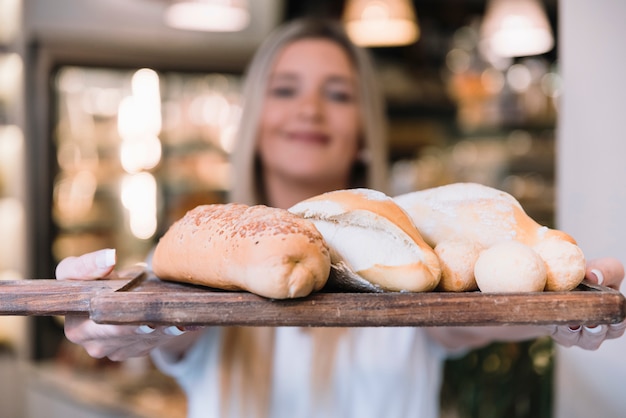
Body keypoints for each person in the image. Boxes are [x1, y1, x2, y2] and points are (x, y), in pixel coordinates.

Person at [55, 18, 625, 418]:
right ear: (253, 121)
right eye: (286, 89)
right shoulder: (199, 259)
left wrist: (567, 309)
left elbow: (479, 313)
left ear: (361, 130)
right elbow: (166, 332)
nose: (310, 109)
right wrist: (121, 321)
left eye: (337, 94)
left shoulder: (412, 256)